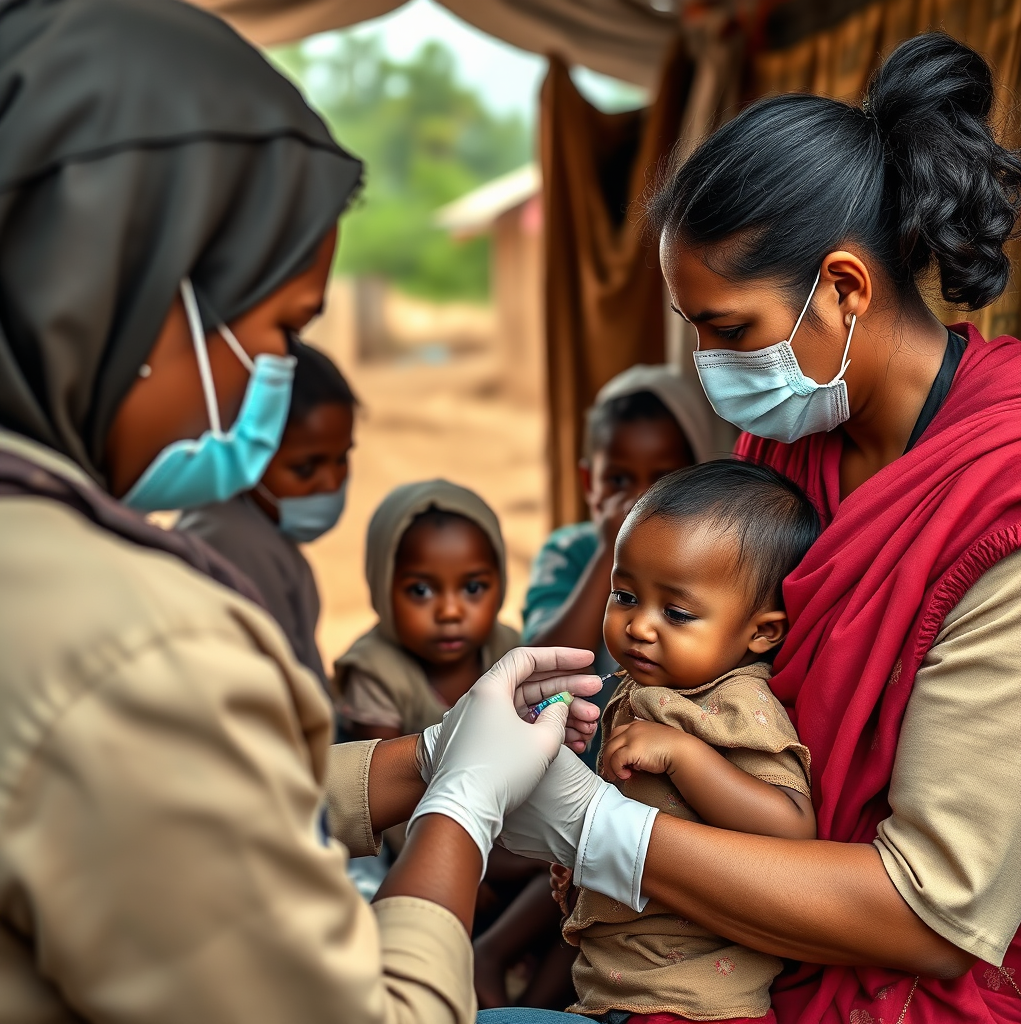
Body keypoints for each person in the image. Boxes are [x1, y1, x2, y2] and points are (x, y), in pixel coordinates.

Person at [0, 2, 602, 1021]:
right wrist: (462, 806)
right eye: (279, 329)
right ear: (135, 295)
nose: (272, 381)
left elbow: (166, 824)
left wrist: (427, 758)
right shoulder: (133, 645)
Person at [466, 31, 1021, 1024]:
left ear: (843, 290)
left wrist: (604, 836)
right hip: (729, 955)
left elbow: (933, 912)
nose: (709, 364)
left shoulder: (1001, 497)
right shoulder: (790, 439)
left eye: (727, 330)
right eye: (692, 327)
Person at [556, 460, 819, 1023]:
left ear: (761, 632)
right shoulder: (641, 686)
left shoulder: (736, 702)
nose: (640, 627)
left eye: (675, 612)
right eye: (624, 596)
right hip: (620, 990)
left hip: (698, 1005)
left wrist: (685, 756)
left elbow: (791, 826)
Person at [522, 365, 736, 758]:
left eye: (662, 480)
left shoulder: (713, 563)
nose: (640, 498)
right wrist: (609, 552)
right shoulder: (571, 552)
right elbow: (539, 664)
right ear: (590, 485)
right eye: (618, 480)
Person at [178, 340, 356, 688]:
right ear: (244, 452)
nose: (332, 482)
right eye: (306, 468)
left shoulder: (253, 531)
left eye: (341, 459)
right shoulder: (234, 544)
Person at [336, 479, 520, 741]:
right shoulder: (374, 672)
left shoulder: (507, 649)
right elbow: (381, 777)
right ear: (382, 585)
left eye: (473, 587)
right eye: (421, 591)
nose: (450, 612)